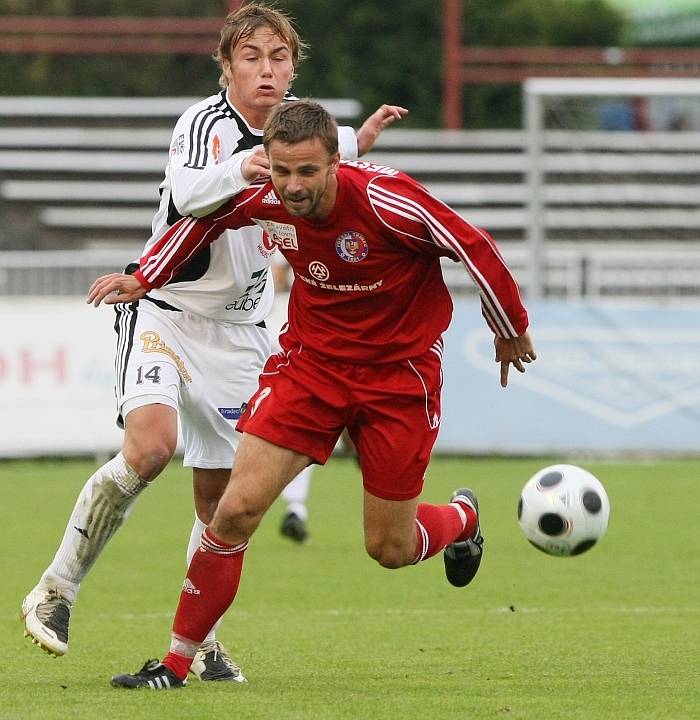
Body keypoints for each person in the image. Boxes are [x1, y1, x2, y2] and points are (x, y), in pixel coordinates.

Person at [91, 100, 537, 690]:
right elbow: (204, 221)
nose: (292, 186)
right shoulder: (267, 198)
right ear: (267, 165)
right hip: (310, 369)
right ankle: (175, 663)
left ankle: (461, 518)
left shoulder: (387, 200)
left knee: (389, 547)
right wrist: (146, 275)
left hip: (398, 380)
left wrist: (510, 328)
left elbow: (473, 244)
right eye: (281, 171)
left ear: (335, 163)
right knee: (234, 512)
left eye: (307, 171)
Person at [20, 4, 406, 683]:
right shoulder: (204, 125)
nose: (267, 70)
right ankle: (55, 591)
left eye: (279, 57)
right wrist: (246, 171)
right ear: (226, 66)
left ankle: (202, 644)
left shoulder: (295, 132)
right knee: (150, 449)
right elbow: (190, 192)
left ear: (294, 66)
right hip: (165, 309)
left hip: (241, 335)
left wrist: (361, 138)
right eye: (252, 57)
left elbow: (327, 152)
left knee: (222, 503)